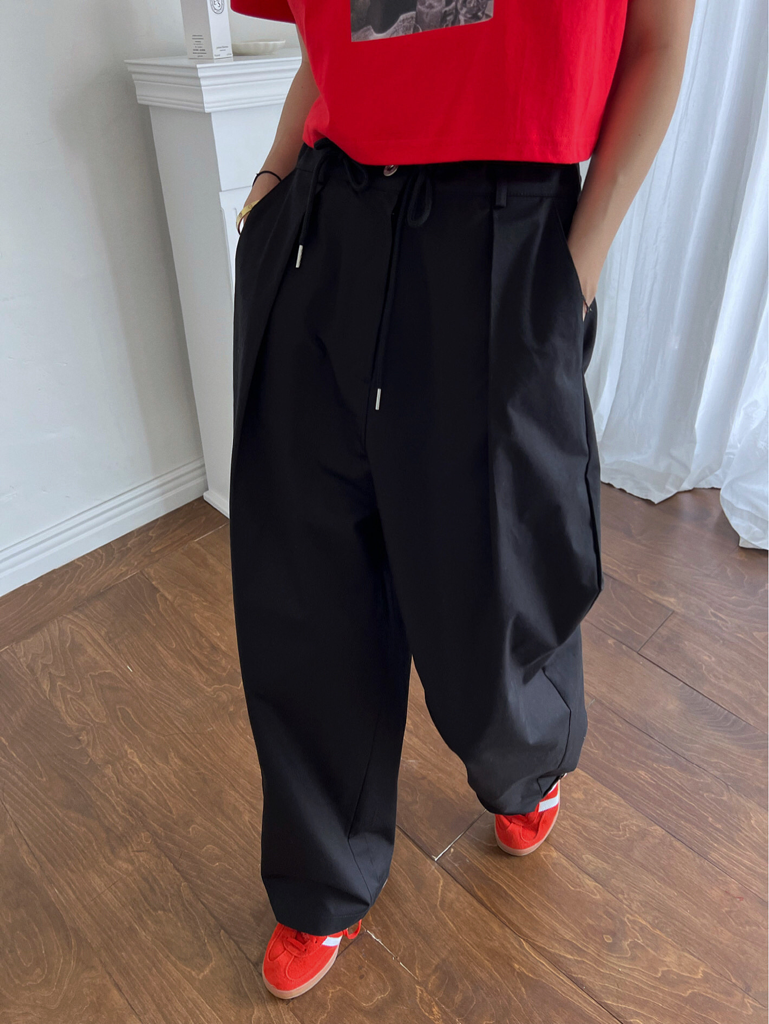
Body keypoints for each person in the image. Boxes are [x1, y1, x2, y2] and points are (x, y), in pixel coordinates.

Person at [227, 0, 694, 1001]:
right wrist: (271, 181)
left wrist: (573, 269)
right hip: (324, 220)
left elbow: (658, 43)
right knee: (306, 576)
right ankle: (319, 872)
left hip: (505, 232)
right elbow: (326, 41)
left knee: (497, 568)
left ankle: (522, 763)